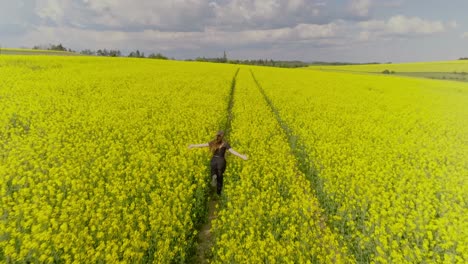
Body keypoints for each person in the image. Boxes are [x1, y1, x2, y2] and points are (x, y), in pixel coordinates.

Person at [188, 130, 248, 195]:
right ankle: (218, 192)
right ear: (223, 136)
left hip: (214, 160)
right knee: (220, 176)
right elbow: (232, 151)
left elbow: (203, 145)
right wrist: (242, 156)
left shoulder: (213, 142)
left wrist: (193, 145)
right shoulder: (225, 144)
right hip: (221, 161)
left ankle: (214, 176)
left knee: (213, 172)